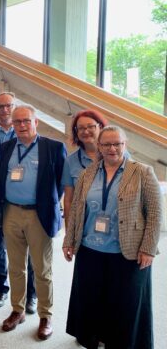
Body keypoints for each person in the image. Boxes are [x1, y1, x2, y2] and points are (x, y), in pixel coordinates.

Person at [63, 126, 162, 349]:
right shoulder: (88, 173)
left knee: (125, 304)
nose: (112, 148)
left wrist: (148, 248)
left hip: (127, 250)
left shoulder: (142, 172)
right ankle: (96, 337)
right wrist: (69, 240)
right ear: (99, 146)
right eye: (106, 144)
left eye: (117, 143)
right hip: (90, 249)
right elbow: (78, 208)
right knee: (93, 299)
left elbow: (155, 213)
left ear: (125, 145)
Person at [0, 105, 66, 340]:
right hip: (11, 212)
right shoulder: (7, 147)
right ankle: (17, 311)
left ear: (36, 122)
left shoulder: (53, 147)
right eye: (17, 122)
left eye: (26, 121)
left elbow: (59, 183)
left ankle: (45, 315)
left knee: (42, 268)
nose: (22, 125)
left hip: (39, 214)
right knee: (15, 266)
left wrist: (48, 205)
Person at [0, 92, 37, 313]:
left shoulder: (25, 132)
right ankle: (2, 289)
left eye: (9, 106)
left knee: (29, 248)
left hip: (18, 198)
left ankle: (30, 295)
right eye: (1, 106)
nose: (5, 110)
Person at [62, 109, 108, 226]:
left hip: (113, 220)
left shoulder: (118, 156)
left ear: (101, 127)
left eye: (90, 127)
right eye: (81, 128)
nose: (86, 131)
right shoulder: (70, 161)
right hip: (83, 223)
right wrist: (69, 232)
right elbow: (68, 200)